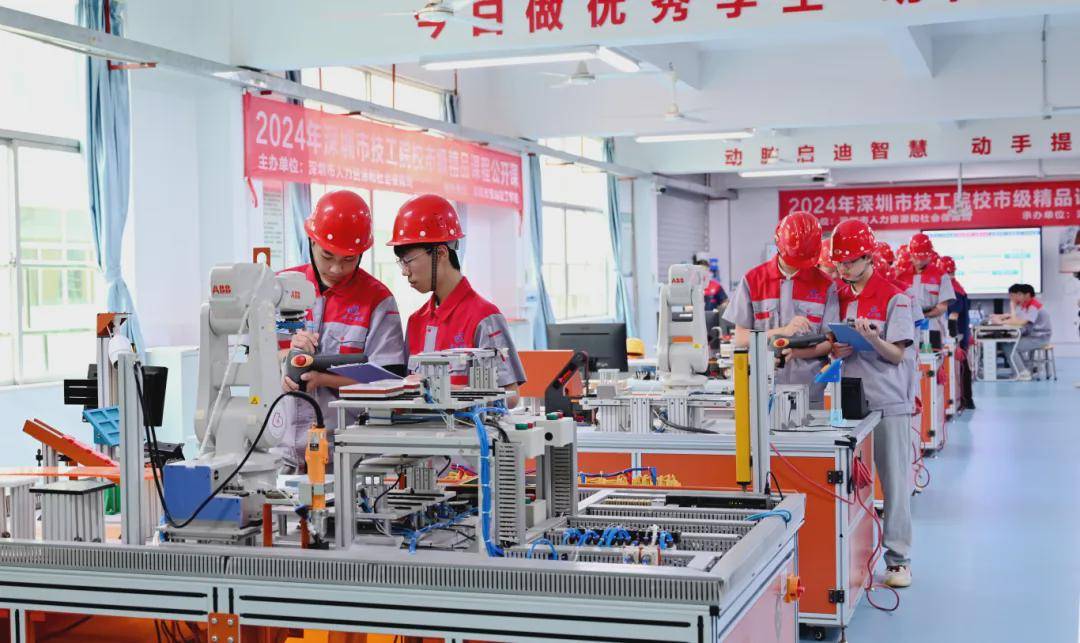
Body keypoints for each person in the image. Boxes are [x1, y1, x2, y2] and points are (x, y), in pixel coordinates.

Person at [274, 190, 407, 472]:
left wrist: (323, 378)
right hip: (279, 451)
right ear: (311, 241)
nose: (336, 268)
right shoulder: (279, 289)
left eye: (348, 259)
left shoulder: (377, 300)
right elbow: (244, 357)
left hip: (347, 455)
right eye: (327, 255)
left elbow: (388, 379)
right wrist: (285, 360)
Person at [830, 219, 916, 589]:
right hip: (851, 400)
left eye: (851, 262)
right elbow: (832, 344)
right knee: (852, 483)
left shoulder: (895, 298)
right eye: (840, 262)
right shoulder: (838, 296)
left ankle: (898, 560)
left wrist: (872, 339)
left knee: (894, 483)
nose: (844, 268)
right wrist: (838, 347)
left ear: (869, 258)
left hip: (888, 400)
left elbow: (897, 354)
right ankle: (854, 559)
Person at [389, 194, 526, 397]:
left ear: (441, 253)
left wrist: (442, 391)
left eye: (408, 260)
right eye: (401, 262)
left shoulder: (484, 318)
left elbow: (510, 395)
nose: (404, 271)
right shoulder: (416, 321)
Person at [724, 212, 839, 406]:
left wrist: (796, 353)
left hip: (810, 392)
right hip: (762, 389)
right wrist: (783, 332)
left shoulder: (825, 285)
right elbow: (741, 338)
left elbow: (830, 342)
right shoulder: (753, 280)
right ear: (778, 244)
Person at [990, 283, 1053, 380]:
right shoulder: (1026, 305)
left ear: (1027, 295)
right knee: (1008, 344)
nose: (1015, 298)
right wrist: (1001, 318)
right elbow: (1015, 318)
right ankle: (1025, 370)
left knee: (1011, 346)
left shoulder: (1034, 306)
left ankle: (1023, 373)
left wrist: (1003, 318)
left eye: (1019, 295)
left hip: (1039, 338)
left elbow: (1020, 322)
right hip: (1032, 336)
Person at [940, 256, 975, 408]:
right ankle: (966, 401)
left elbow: (953, 316)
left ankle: (967, 401)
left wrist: (953, 340)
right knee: (963, 368)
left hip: (958, 336)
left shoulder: (953, 290)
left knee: (962, 369)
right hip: (961, 334)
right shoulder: (956, 286)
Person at [906, 233, 955, 340]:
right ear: (911, 255)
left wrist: (922, 316)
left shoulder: (941, 276)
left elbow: (942, 307)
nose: (919, 261)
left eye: (922, 258)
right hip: (908, 328)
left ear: (929, 255)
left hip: (933, 327)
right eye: (916, 257)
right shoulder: (902, 275)